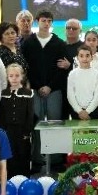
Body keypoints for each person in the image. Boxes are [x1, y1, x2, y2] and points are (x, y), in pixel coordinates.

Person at [20, 10, 70, 165]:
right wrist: (37, 86)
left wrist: (49, 86)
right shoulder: (28, 43)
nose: (46, 23)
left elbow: (62, 69)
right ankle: (37, 159)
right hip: (34, 90)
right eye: (43, 20)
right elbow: (26, 68)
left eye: (49, 21)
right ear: (37, 22)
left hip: (54, 91)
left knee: (55, 124)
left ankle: (56, 159)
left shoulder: (59, 43)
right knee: (36, 124)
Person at [0, 64, 35, 178]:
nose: (14, 78)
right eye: (11, 76)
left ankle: (24, 178)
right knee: (10, 154)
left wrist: (27, 132)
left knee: (23, 153)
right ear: (7, 77)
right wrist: (2, 131)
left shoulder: (28, 93)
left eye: (17, 75)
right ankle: (10, 179)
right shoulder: (3, 94)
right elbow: (2, 115)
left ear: (22, 77)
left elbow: (30, 114)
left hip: (22, 130)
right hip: (8, 130)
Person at [68, 46, 98, 120]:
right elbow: (70, 95)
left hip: (93, 111)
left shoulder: (96, 74)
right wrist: (79, 111)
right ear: (77, 58)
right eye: (81, 56)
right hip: (76, 111)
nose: (84, 59)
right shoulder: (72, 74)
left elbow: (97, 95)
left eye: (87, 56)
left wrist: (87, 111)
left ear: (91, 57)